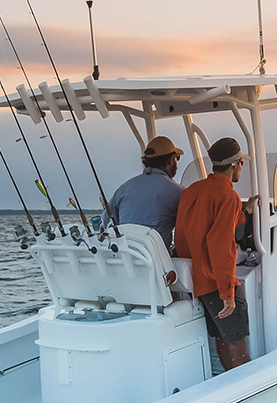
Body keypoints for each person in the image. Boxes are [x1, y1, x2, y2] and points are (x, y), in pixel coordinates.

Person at [175, 136, 250, 370]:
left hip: (200, 280)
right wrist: (227, 290)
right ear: (235, 164)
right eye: (241, 164)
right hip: (218, 281)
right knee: (236, 341)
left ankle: (231, 385)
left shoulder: (192, 191)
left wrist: (244, 209)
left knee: (221, 337)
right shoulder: (228, 196)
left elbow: (185, 234)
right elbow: (220, 243)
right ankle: (247, 389)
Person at [107, 136, 184, 252]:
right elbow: (191, 228)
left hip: (127, 257)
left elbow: (107, 222)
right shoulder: (178, 192)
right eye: (177, 158)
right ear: (172, 160)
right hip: (158, 263)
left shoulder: (123, 189)